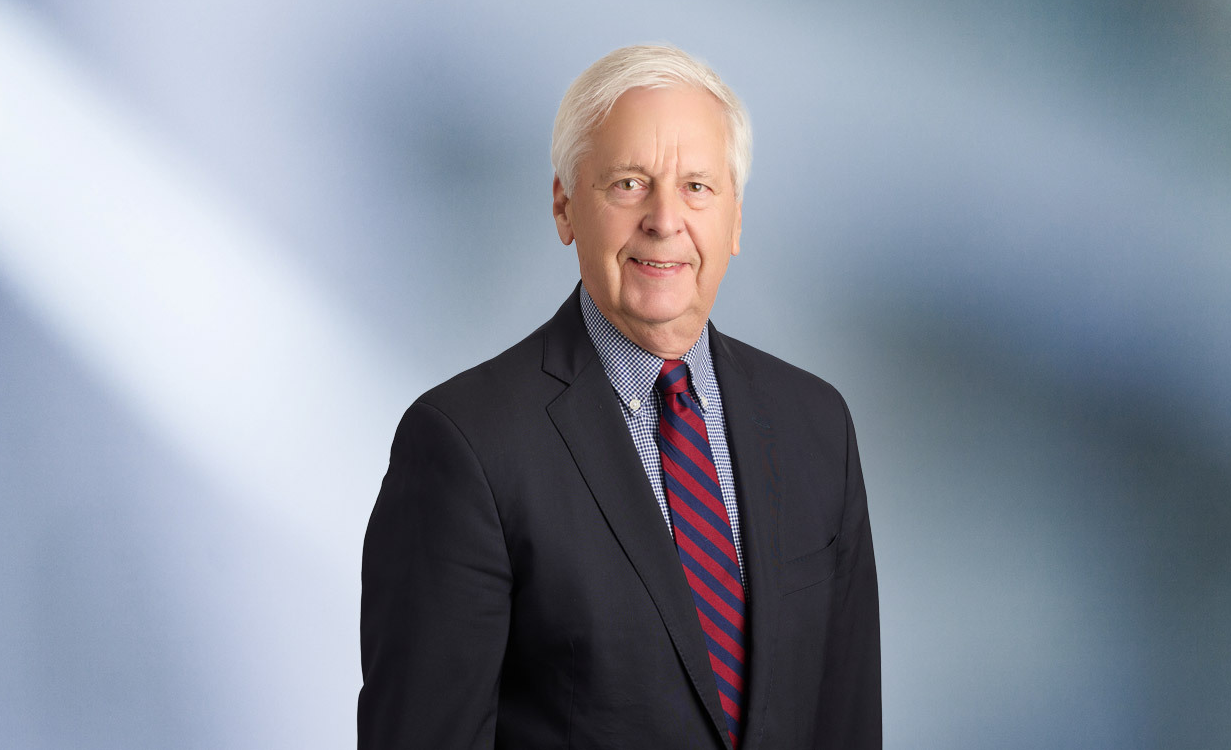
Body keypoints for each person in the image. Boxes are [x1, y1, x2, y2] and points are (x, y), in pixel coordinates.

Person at [359, 44, 881, 750]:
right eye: (630, 183)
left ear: (736, 219)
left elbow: (845, 726)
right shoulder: (465, 446)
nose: (665, 220)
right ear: (564, 205)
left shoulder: (817, 425)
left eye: (698, 186)